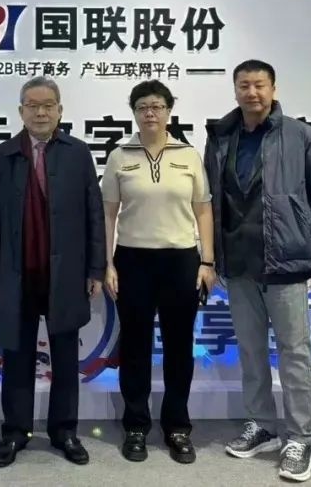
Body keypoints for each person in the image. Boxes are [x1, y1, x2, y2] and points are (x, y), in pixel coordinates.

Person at [204, 59, 311, 482]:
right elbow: (212, 198)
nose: (252, 92)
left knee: (295, 352)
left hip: (287, 262)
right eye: (244, 85)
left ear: (274, 88)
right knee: (251, 350)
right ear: (235, 90)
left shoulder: (303, 137)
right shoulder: (221, 137)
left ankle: (299, 437)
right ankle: (261, 424)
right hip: (239, 263)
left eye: (259, 85)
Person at [0, 76, 106, 467]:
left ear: (60, 110)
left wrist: (96, 268)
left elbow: (94, 215)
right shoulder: (2, 157)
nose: (40, 112)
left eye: (48, 105)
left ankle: (64, 431)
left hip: (64, 275)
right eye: (32, 106)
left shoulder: (77, 153)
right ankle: (15, 432)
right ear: (20, 111)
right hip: (16, 277)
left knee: (66, 359)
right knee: (16, 357)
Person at [101, 79, 215, 465]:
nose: (150, 113)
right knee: (134, 346)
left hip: (181, 260)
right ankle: (136, 426)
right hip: (132, 260)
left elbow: (203, 209)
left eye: (157, 106)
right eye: (142, 107)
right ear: (134, 113)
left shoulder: (188, 155)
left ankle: (177, 426)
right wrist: (107, 262)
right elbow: (108, 214)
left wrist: (207, 261)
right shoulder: (120, 156)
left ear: (169, 111)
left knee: (179, 346)